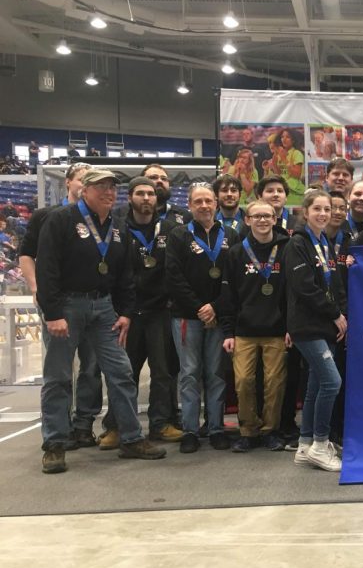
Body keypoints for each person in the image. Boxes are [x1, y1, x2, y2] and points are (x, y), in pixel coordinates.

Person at [36, 169, 166, 473]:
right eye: (101, 187)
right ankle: (55, 444)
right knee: (57, 377)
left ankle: (131, 438)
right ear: (85, 191)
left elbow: (125, 276)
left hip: (104, 307)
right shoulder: (61, 220)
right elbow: (47, 270)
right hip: (67, 305)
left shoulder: (118, 227)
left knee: (121, 372)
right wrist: (53, 313)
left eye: (113, 187)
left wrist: (125, 313)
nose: (109, 192)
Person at [19, 162, 102, 450]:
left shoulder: (102, 218)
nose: (85, 184)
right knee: (59, 373)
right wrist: (36, 287)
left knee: (91, 369)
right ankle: (56, 434)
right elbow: (27, 254)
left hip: (94, 305)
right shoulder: (46, 216)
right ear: (68, 182)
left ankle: (83, 425)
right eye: (81, 179)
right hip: (59, 304)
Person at [102, 177, 183, 446]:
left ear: (156, 199)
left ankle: (160, 424)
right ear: (131, 198)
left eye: (150, 194)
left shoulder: (170, 229)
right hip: (128, 312)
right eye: (140, 193)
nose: (146, 198)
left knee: (162, 372)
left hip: (160, 311)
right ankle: (117, 426)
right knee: (125, 373)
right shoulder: (118, 229)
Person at [166, 183, 239, 453]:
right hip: (187, 316)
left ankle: (216, 427)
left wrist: (216, 308)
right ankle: (190, 430)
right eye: (198, 201)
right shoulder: (178, 235)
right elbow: (174, 277)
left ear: (216, 204)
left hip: (218, 316)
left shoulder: (231, 234)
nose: (204, 206)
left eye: (208, 201)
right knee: (189, 373)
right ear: (190, 205)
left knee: (216, 374)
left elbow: (233, 279)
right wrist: (200, 308)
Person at [220, 200, 291, 453]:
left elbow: (291, 294)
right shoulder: (236, 253)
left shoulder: (286, 249)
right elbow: (228, 296)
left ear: (275, 219)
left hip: (276, 330)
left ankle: (270, 430)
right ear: (247, 220)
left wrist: (290, 327)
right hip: (244, 332)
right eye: (256, 216)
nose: (262, 220)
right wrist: (228, 332)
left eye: (267, 216)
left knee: (274, 382)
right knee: (244, 382)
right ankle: (248, 431)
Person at [285, 190, 348, 472]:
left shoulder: (325, 242)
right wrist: (335, 314)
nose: (323, 214)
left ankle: (305, 444)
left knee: (315, 386)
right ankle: (321, 446)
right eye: (318, 209)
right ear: (306, 212)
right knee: (332, 383)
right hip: (308, 326)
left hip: (322, 325)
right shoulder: (298, 243)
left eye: (327, 209)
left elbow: (331, 282)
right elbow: (305, 287)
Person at [268, 128, 305, 204]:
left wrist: (284, 159)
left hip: (294, 191)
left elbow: (297, 174)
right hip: (281, 189)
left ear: (293, 140)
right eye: (282, 137)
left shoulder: (297, 153)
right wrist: (274, 163)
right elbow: (278, 174)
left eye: (287, 137)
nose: (284, 139)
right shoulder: (279, 153)